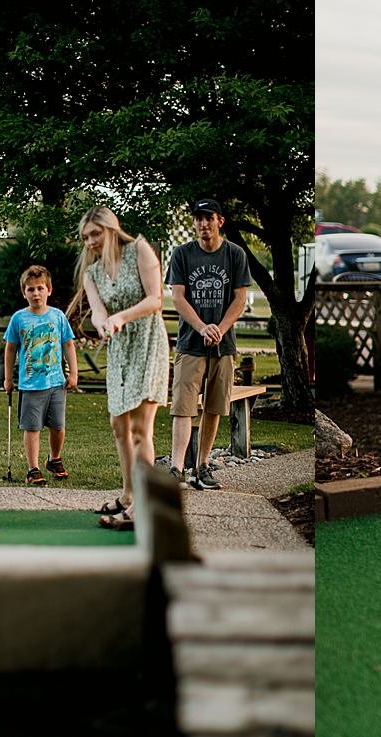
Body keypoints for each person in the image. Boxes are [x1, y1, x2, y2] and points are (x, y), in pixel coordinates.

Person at [71, 207, 170, 530]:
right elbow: (98, 312)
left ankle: (142, 506)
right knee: (118, 424)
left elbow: (155, 300)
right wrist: (103, 323)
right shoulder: (92, 274)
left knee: (142, 429)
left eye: (95, 234)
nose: (90, 242)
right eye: (86, 237)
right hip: (120, 350)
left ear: (112, 229)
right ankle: (128, 494)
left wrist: (121, 318)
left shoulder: (139, 249)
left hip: (147, 342)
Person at [166, 198, 253, 491]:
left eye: (208, 218)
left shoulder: (235, 254)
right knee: (183, 407)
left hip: (223, 345)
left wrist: (219, 329)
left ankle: (202, 466)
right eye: (198, 218)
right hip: (191, 343)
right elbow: (178, 298)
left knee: (215, 407)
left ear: (220, 221)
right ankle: (177, 468)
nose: (203, 224)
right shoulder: (182, 254)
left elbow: (239, 299)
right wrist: (202, 327)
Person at [0, 266, 79, 485]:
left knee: (58, 426)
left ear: (49, 290)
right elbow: (10, 349)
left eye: (40, 288)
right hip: (31, 384)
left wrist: (73, 372)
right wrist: (8, 378)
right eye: (31, 289)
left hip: (56, 383)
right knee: (32, 427)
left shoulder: (58, 317)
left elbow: (68, 344)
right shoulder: (19, 319)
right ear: (24, 292)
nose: (36, 293)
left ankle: (54, 459)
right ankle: (32, 468)